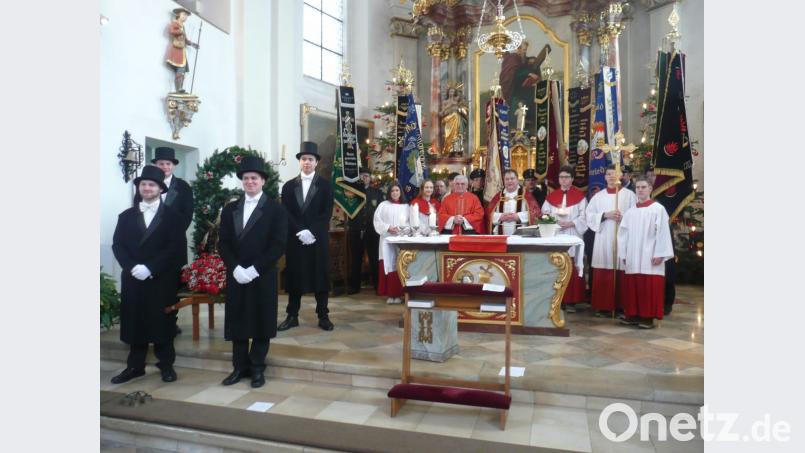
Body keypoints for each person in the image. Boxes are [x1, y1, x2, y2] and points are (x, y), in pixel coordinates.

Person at [218, 156, 288, 388]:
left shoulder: (275, 209)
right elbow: (224, 242)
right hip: (237, 273)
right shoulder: (230, 209)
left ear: (262, 181)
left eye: (254, 178)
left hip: (262, 274)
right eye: (246, 178)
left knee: (261, 321)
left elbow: (278, 244)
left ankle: (257, 368)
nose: (249, 182)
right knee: (237, 321)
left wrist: (255, 269)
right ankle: (239, 367)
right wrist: (235, 267)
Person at [111, 165, 184, 384]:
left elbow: (175, 248)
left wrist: (151, 268)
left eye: (152, 184)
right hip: (133, 278)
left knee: (162, 322)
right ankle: (135, 366)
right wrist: (132, 267)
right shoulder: (125, 216)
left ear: (161, 189)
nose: (147, 188)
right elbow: (118, 245)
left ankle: (166, 365)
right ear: (139, 188)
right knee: (135, 322)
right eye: (143, 184)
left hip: (161, 278)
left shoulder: (173, 217)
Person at [135, 146, 194, 335]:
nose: (165, 167)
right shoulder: (145, 185)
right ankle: (149, 322)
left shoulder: (183, 187)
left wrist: (169, 236)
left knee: (170, 287)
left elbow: (187, 215)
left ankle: (170, 322)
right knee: (149, 288)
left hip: (173, 245)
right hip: (148, 247)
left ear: (173, 166)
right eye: (161, 163)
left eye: (168, 164)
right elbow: (138, 210)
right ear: (156, 164)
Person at [278, 142, 335, 332]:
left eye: (311, 159)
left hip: (317, 239)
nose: (307, 162)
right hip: (296, 239)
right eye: (304, 159)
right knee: (295, 277)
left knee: (320, 277)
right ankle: (292, 316)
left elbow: (326, 213)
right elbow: (285, 212)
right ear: (299, 162)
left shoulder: (325, 186)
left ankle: (323, 316)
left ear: (316, 162)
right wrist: (300, 231)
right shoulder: (287, 187)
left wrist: (311, 231)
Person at [618, 177, 674, 329]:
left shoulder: (658, 209)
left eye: (643, 187)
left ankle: (647, 317)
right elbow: (623, 234)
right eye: (638, 187)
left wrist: (660, 253)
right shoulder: (630, 212)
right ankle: (633, 314)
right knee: (633, 284)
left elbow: (663, 233)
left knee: (649, 286)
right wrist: (623, 254)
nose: (640, 190)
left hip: (651, 255)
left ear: (650, 189)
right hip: (633, 254)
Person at [586, 165, 637, 317]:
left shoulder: (629, 195)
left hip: (622, 236)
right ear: (605, 177)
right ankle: (603, 306)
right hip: (604, 237)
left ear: (620, 176)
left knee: (620, 267)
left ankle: (621, 306)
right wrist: (604, 215)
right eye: (608, 174)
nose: (611, 176)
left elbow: (636, 214)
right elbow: (589, 215)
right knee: (604, 266)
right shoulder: (598, 196)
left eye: (614, 174)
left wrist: (624, 218)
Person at [541, 166, 588, 312]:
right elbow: (544, 213)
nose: (563, 179)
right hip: (556, 234)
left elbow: (584, 216)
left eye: (567, 177)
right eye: (561, 177)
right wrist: (553, 222)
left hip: (573, 233)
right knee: (557, 265)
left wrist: (571, 223)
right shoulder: (551, 196)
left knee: (572, 265)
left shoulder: (580, 197)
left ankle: (571, 301)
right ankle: (558, 298)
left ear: (572, 179)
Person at [347, 169, 384, 294]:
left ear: (370, 178)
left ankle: (377, 286)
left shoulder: (377, 193)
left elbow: (380, 212)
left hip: (372, 231)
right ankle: (354, 286)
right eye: (362, 176)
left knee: (374, 258)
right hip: (356, 229)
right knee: (356, 258)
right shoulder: (352, 192)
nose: (364, 178)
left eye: (367, 176)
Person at [374, 182, 410, 304]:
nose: (395, 193)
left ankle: (399, 294)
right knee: (388, 265)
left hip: (400, 240)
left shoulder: (406, 207)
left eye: (397, 190)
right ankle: (390, 294)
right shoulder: (383, 205)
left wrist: (401, 229)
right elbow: (377, 221)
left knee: (399, 265)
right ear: (389, 192)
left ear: (401, 192)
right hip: (387, 240)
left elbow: (410, 223)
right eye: (392, 191)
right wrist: (388, 228)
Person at [486, 169, 540, 235]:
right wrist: (500, 216)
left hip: (521, 235)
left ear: (517, 179)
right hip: (500, 235)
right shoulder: (498, 196)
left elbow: (535, 213)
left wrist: (518, 216)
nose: (509, 181)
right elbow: (488, 214)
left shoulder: (526, 195)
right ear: (504, 181)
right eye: (507, 179)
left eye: (512, 178)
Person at [165, 7, 199, 93]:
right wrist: (180, 32)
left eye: (186, 16)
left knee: (182, 70)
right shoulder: (175, 23)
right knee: (180, 68)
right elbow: (171, 30)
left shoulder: (182, 26)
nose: (185, 17)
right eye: (184, 15)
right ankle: (178, 89)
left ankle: (180, 88)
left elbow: (185, 39)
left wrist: (192, 44)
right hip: (177, 49)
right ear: (178, 15)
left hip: (181, 50)